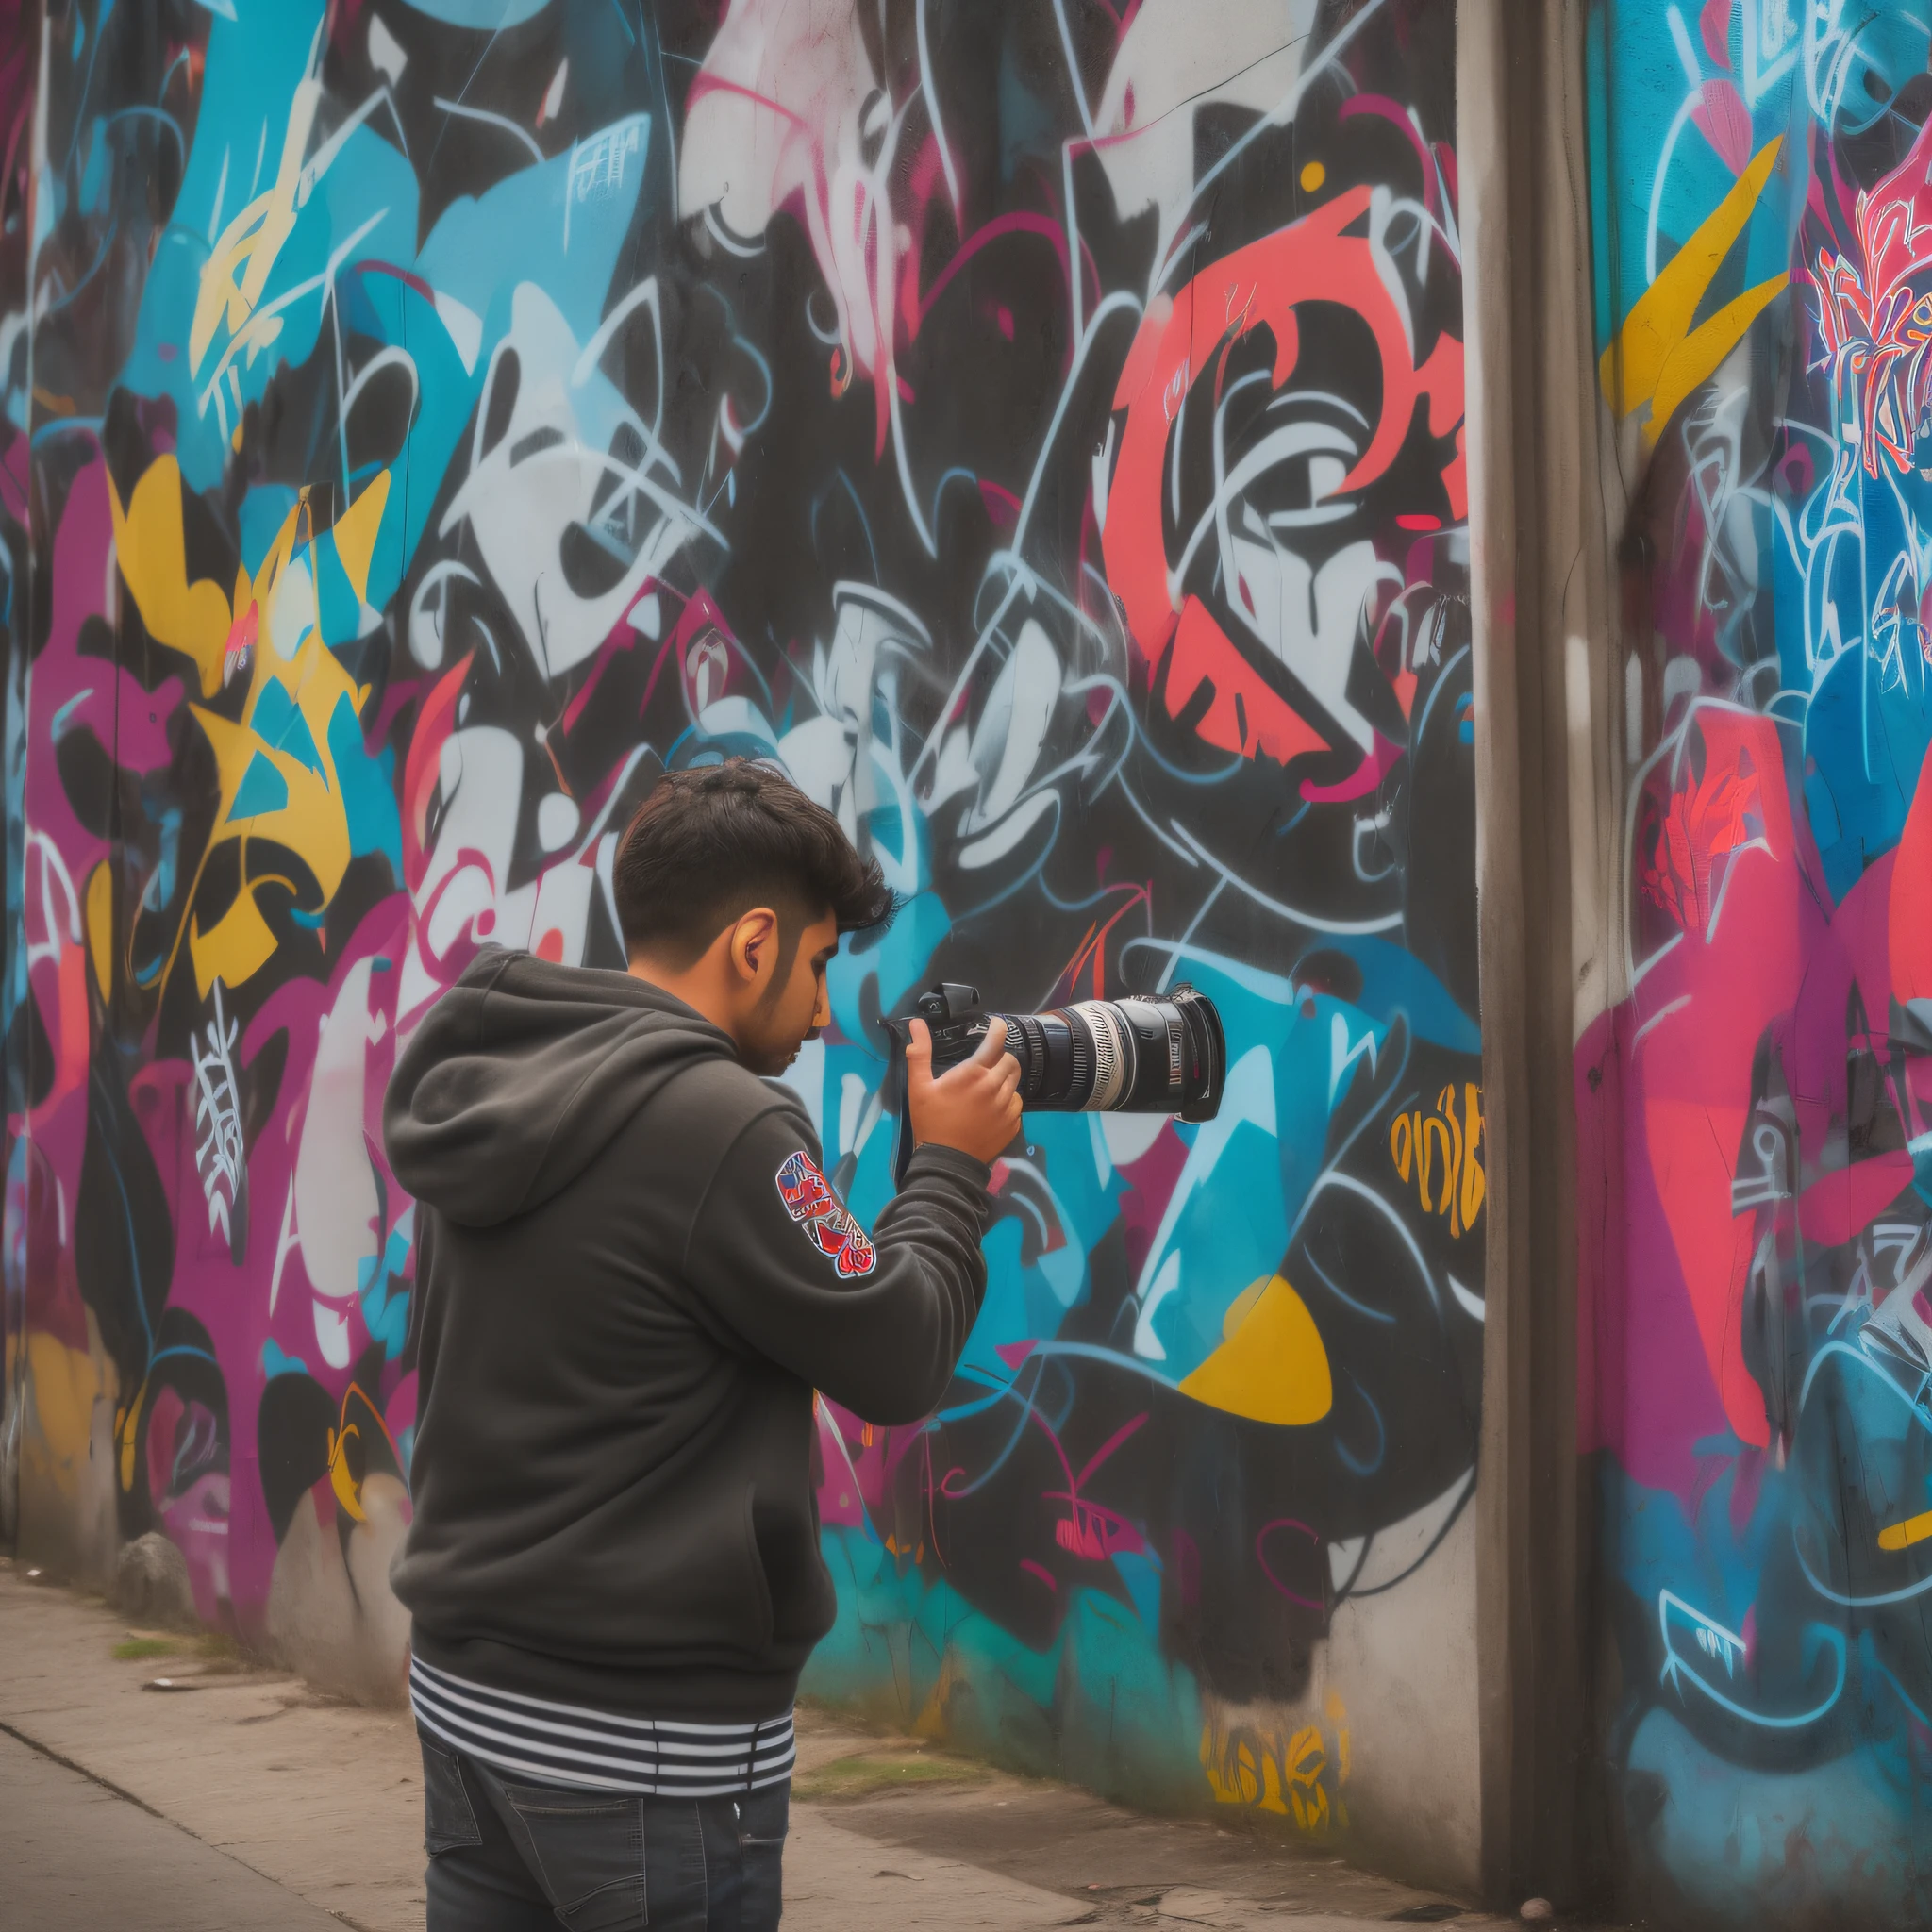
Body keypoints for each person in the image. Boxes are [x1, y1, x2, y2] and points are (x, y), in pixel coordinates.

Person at [383, 759, 1022, 1931]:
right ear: (752, 942)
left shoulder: (496, 1071)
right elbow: (898, 1353)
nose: (825, 1011)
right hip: (645, 1750)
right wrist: (949, 1167)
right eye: (820, 966)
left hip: (467, 1703)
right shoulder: (727, 1122)